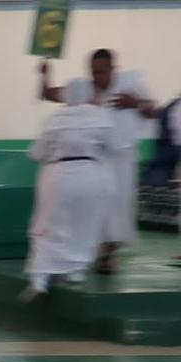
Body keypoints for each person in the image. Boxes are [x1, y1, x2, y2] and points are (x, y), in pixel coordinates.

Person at [40, 49, 155, 273]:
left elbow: (153, 111)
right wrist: (45, 72)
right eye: (93, 72)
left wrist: (136, 103)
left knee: (118, 205)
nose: (96, 77)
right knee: (95, 204)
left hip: (122, 156)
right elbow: (50, 94)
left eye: (101, 72)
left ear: (113, 69)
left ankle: (107, 255)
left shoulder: (131, 83)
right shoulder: (83, 89)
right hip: (95, 158)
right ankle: (92, 252)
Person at [22, 79, 115, 300]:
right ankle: (76, 271)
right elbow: (113, 145)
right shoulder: (100, 116)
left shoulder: (54, 119)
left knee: (47, 225)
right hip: (90, 175)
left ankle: (40, 278)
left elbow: (36, 153)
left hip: (58, 175)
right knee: (84, 224)